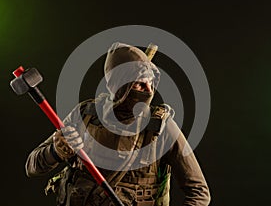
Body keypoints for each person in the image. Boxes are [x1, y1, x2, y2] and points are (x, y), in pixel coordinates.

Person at [25, 42, 211, 206]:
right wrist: (56, 152)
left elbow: (199, 193)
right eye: (139, 85)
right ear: (120, 87)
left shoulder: (160, 128)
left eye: (150, 84)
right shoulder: (86, 115)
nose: (149, 91)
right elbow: (32, 166)